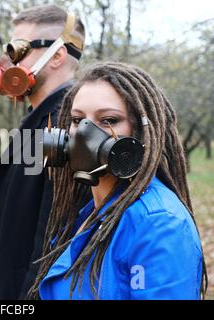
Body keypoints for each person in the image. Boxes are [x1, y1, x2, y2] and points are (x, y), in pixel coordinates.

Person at [27, 62, 208, 300]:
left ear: (141, 133)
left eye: (109, 120)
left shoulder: (159, 223)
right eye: (77, 119)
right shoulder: (90, 211)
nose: (83, 134)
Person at [0, 5, 86, 299]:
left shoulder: (66, 130)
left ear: (57, 55)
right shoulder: (39, 121)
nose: (8, 62)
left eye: (19, 49)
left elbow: (52, 243)